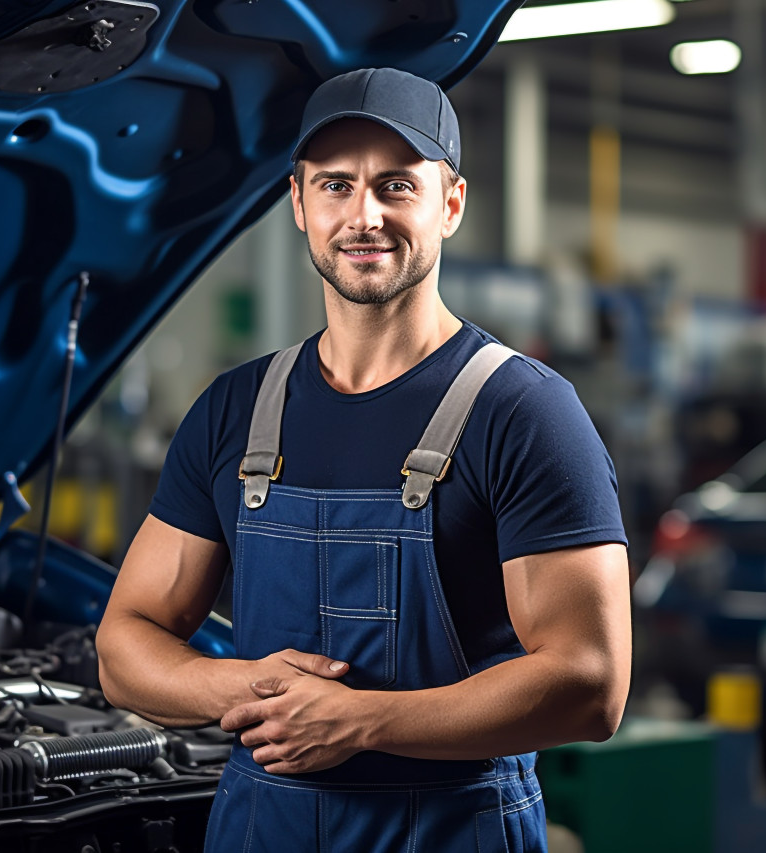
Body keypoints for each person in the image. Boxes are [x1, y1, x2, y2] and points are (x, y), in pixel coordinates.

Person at [97, 66, 632, 852]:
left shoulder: (524, 412)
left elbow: (592, 682)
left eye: (395, 186)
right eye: (337, 186)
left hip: (453, 829)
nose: (364, 215)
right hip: (262, 825)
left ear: (449, 202)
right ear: (298, 202)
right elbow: (124, 645)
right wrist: (251, 688)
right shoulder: (235, 410)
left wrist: (364, 721)